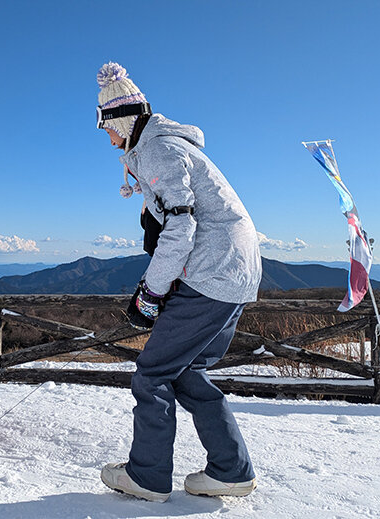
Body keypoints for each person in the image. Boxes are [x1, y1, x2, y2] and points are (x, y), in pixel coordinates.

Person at [95, 62, 262, 502]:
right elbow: (179, 218)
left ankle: (147, 476)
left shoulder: (158, 151)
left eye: (106, 126)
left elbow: (182, 228)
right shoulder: (168, 148)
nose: (107, 137)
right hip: (237, 272)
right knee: (186, 372)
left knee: (151, 374)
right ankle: (231, 469)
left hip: (212, 271)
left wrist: (150, 291)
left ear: (123, 121)